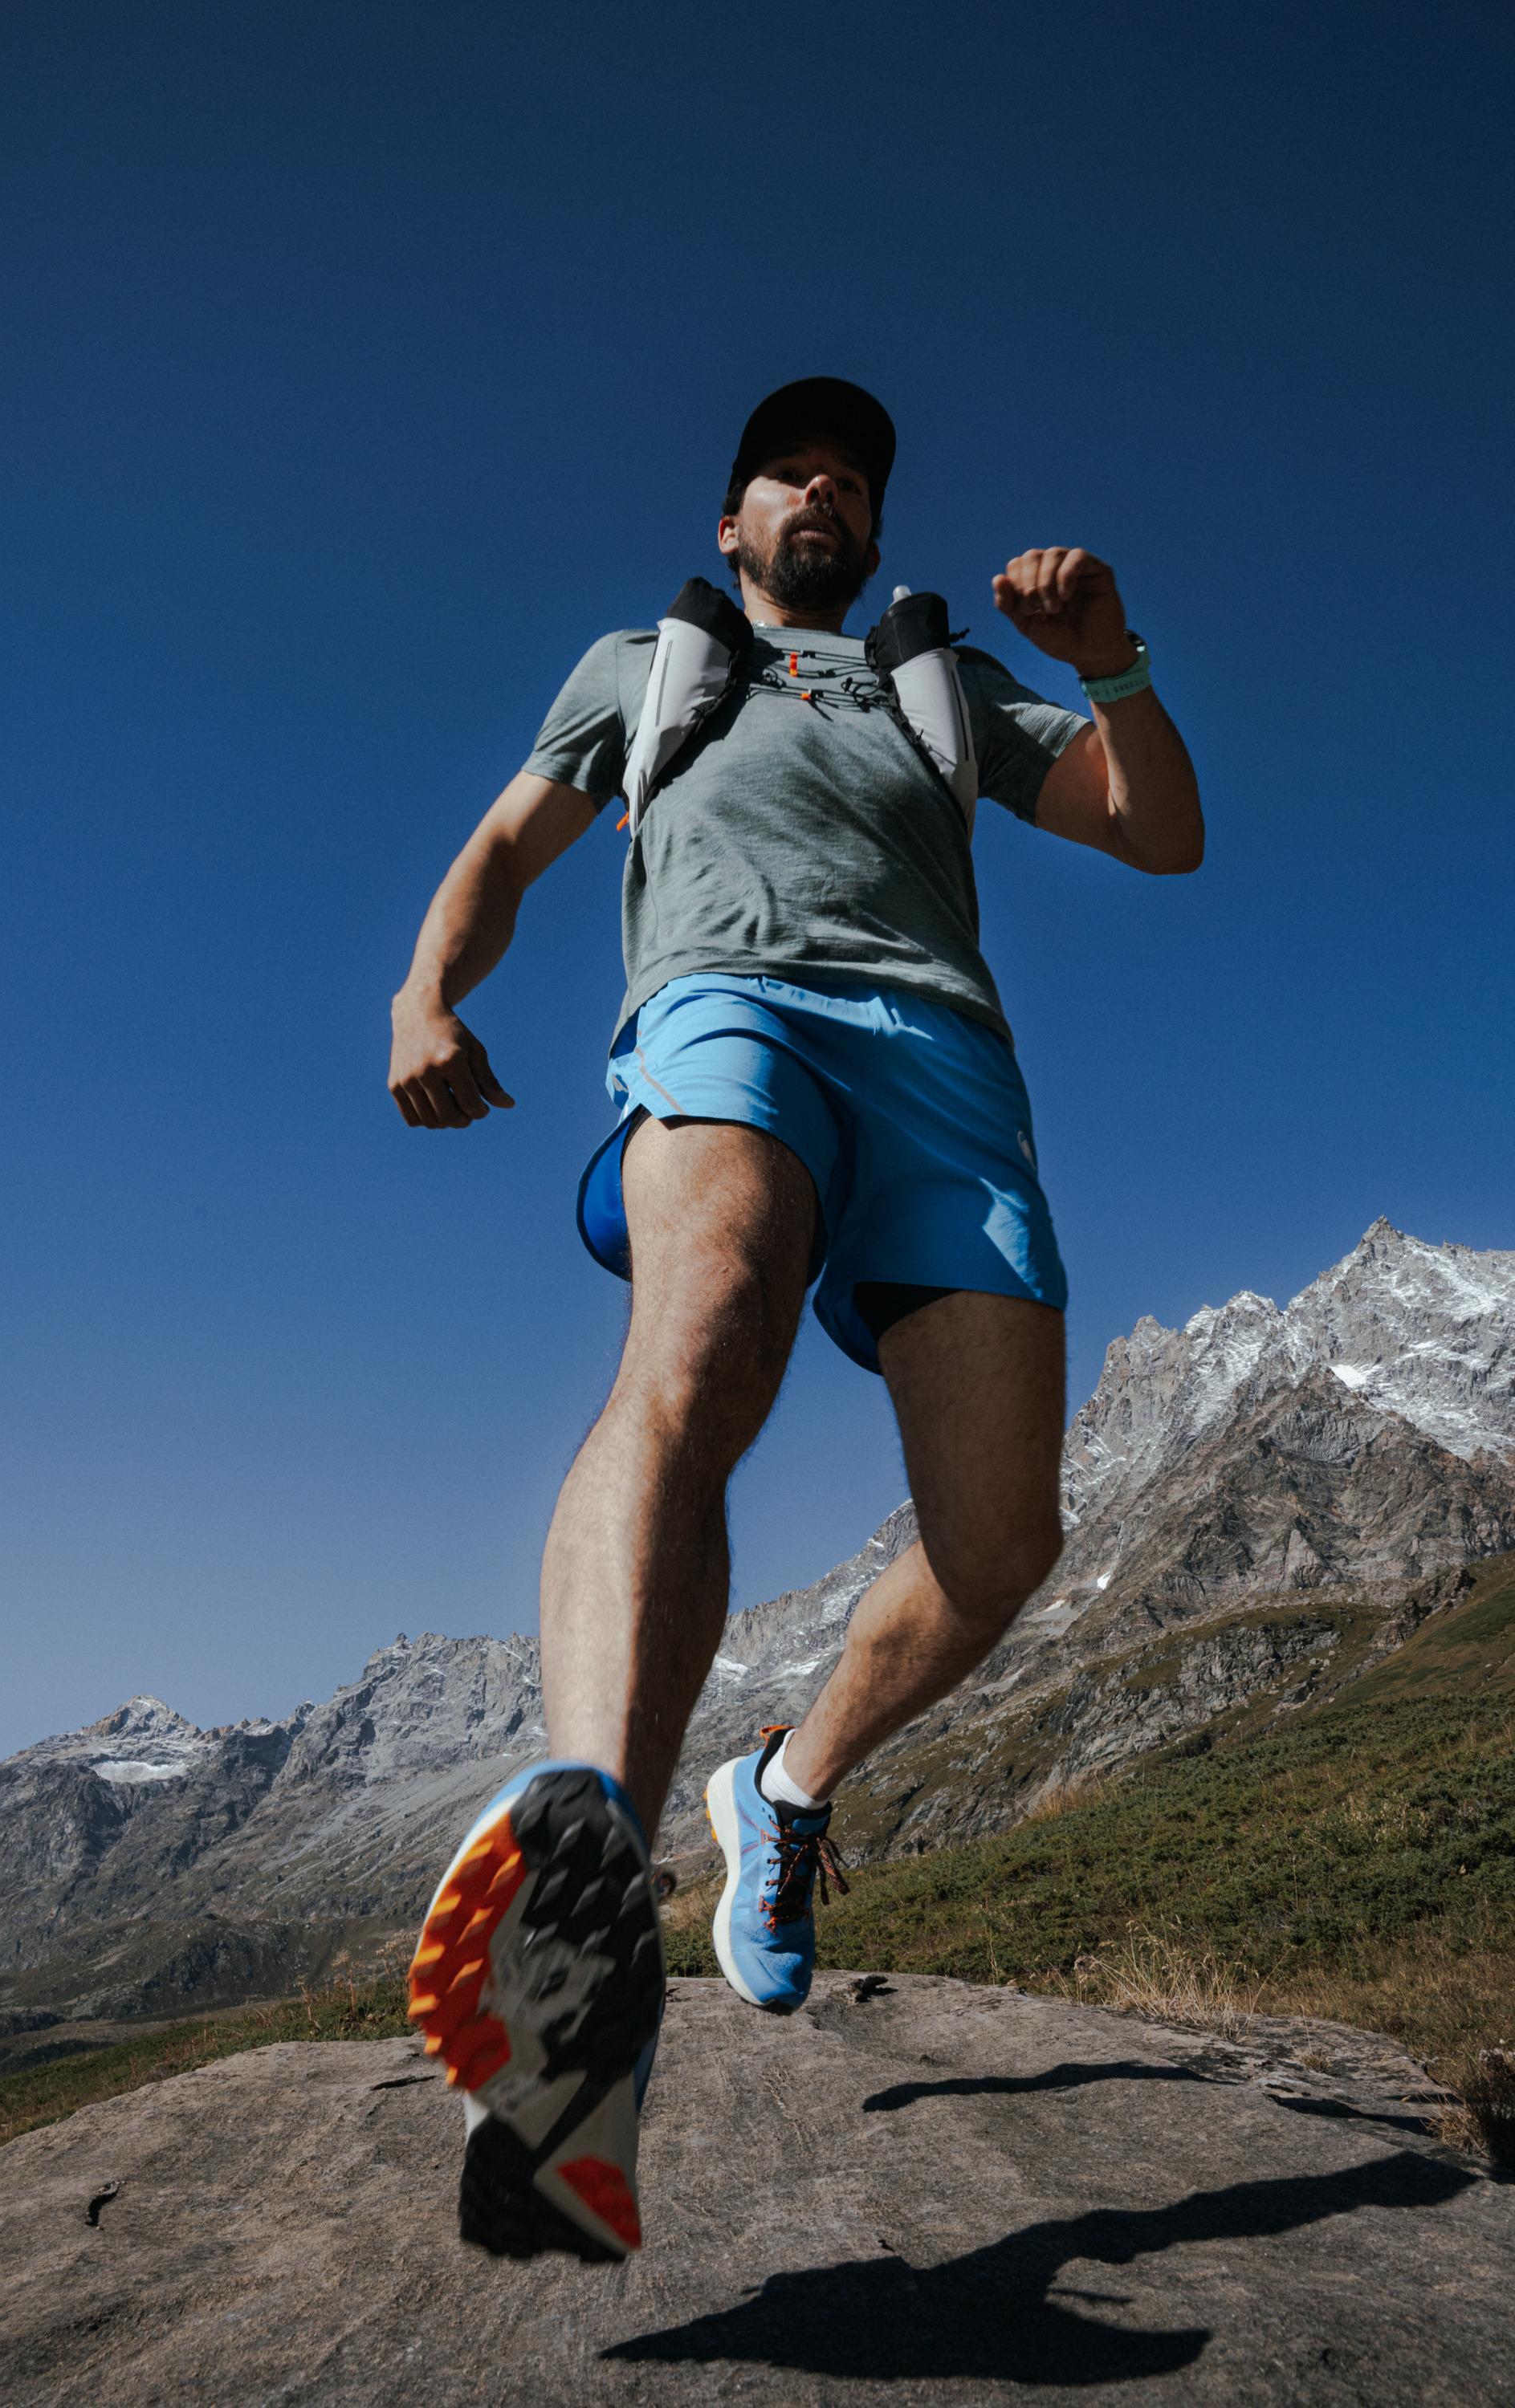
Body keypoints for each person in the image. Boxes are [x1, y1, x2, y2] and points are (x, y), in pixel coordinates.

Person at [388, 378, 1203, 2262]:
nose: (823, 488)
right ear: (737, 515)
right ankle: (582, 1873)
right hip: (723, 1000)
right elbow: (508, 847)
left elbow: (1152, 834)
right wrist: (428, 992)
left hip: (946, 1068)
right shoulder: (641, 664)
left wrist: (1110, 663)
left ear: (871, 529)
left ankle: (785, 1784)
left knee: (1002, 1545)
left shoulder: (936, 688)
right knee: (712, 1321)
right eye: (789, 469)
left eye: (853, 476)